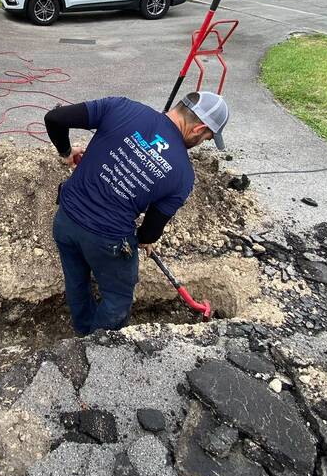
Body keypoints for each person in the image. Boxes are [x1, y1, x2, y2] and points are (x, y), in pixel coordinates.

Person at [44, 92, 229, 335]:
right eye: (206, 138)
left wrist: (66, 151)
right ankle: (95, 346)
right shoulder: (183, 175)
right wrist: (144, 239)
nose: (202, 142)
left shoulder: (121, 107)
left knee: (76, 282)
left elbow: (54, 118)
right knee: (117, 300)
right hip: (108, 240)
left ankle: (82, 333)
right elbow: (150, 230)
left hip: (66, 220)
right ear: (199, 128)